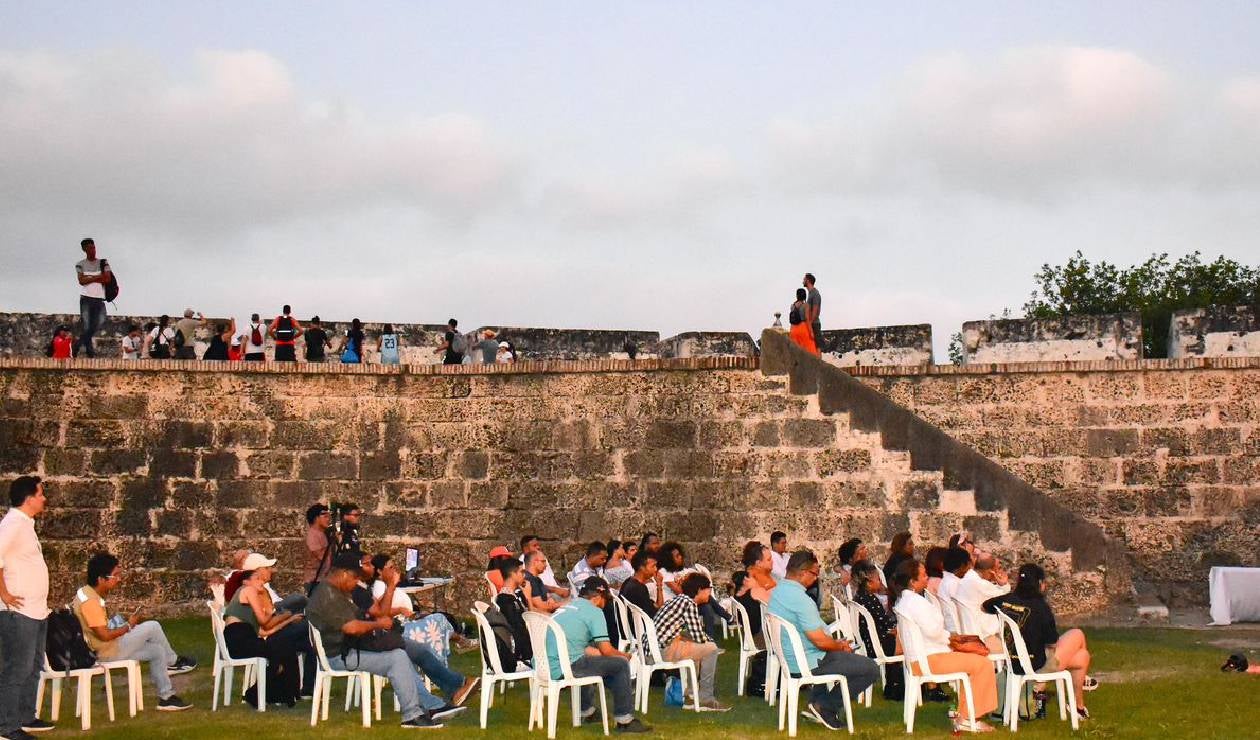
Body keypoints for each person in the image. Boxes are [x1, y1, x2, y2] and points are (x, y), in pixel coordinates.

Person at [305, 554, 448, 729]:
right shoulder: (329, 596)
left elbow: (359, 618)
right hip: (340, 656)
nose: (356, 582)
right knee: (397, 658)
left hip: (348, 648)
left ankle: (426, 707)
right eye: (354, 578)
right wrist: (378, 624)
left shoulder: (332, 591)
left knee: (399, 651)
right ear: (343, 574)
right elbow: (351, 627)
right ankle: (413, 715)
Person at [768, 550, 879, 731]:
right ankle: (825, 706)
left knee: (841, 658)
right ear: (803, 573)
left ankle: (816, 703)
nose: (816, 578)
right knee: (870, 669)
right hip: (808, 661)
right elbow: (820, 641)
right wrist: (839, 647)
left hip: (792, 658)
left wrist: (836, 645)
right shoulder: (801, 600)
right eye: (814, 573)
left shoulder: (778, 591)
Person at [73, 553, 196, 712]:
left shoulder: (86, 592)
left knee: (157, 651)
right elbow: (103, 635)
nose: (119, 579)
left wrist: (122, 625)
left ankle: (167, 697)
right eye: (115, 575)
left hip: (107, 648)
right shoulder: (91, 602)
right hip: (107, 652)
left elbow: (99, 628)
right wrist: (128, 626)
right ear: (101, 579)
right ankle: (173, 662)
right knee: (153, 626)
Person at [351, 553, 478, 702]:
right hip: (379, 638)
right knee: (415, 644)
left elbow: (379, 614)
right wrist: (393, 592)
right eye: (367, 564)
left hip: (389, 632)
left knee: (422, 650)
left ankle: (456, 686)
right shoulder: (364, 590)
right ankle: (435, 703)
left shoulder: (363, 589)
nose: (372, 567)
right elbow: (380, 614)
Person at [891, 558, 997, 733]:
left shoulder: (905, 600)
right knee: (983, 664)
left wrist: (949, 638)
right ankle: (969, 718)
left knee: (976, 659)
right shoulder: (915, 602)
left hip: (921, 658)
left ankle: (966, 713)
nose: (927, 577)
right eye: (923, 575)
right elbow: (933, 631)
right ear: (912, 581)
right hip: (930, 659)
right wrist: (950, 638)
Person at [983, 564, 1095, 721]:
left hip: (1013, 660)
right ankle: (1051, 688)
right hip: (1036, 665)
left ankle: (1079, 706)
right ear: (1040, 583)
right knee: (1077, 634)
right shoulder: (1041, 608)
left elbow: (985, 606)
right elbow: (1052, 643)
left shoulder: (1006, 600)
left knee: (1082, 657)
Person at [547, 577, 650, 733]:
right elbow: (606, 650)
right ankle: (625, 720)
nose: (606, 603)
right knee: (620, 665)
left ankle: (587, 711)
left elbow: (580, 647)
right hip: (566, 666)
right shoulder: (594, 612)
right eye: (606, 599)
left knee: (592, 661)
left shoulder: (567, 607)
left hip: (546, 665)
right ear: (598, 596)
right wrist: (624, 656)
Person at [0, 476, 53, 739]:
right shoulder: (12, 524)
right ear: (29, 498)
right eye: (41, 494)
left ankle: (25, 716)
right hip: (18, 613)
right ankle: (7, 726)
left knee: (33, 666)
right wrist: (4, 593)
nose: (44, 499)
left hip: (36, 610)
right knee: (17, 668)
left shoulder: (25, 525)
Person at [221, 554, 303, 707]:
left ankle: (281, 694)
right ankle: (260, 694)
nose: (261, 582)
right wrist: (278, 613)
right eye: (257, 579)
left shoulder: (250, 595)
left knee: (284, 648)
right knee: (282, 651)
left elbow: (263, 632)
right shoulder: (248, 590)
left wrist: (289, 620)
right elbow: (264, 621)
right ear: (246, 581)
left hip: (247, 638)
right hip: (239, 640)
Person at [653, 573, 730, 711]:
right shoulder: (689, 604)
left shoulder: (678, 600)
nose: (709, 593)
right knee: (711, 649)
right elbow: (699, 636)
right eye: (708, 589)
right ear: (700, 590)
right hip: (663, 650)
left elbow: (691, 634)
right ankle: (706, 698)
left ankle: (689, 693)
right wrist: (711, 642)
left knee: (696, 647)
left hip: (654, 648)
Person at [850, 561, 904, 701]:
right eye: (878, 579)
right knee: (904, 641)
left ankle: (892, 685)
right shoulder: (871, 599)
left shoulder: (859, 596)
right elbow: (886, 622)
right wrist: (897, 627)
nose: (880, 582)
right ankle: (896, 685)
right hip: (877, 645)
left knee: (896, 638)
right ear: (869, 582)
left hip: (867, 642)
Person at [955, 554, 1011, 650]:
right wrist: (1004, 584)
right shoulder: (981, 584)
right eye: (997, 569)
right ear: (990, 571)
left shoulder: (967, 577)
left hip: (967, 626)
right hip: (981, 631)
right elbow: (1003, 597)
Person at [74, 238, 111, 358]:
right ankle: (90, 352)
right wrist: (98, 277)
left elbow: (107, 279)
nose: (93, 250)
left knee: (100, 321)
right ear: (84, 250)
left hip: (99, 298)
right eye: (90, 248)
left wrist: (90, 278)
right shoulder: (80, 264)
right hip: (86, 298)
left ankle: (78, 344)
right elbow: (81, 281)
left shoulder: (103, 263)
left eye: (94, 247)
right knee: (86, 325)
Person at [493, 559, 532, 666]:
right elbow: (526, 624)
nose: (524, 575)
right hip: (521, 651)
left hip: (524, 643)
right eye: (521, 572)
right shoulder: (506, 600)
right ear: (513, 574)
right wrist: (529, 598)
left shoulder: (514, 596)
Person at [519, 535, 569, 600]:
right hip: (545, 594)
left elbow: (551, 576)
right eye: (534, 545)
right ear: (525, 548)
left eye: (538, 545)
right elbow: (531, 584)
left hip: (556, 591)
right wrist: (555, 589)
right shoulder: (523, 562)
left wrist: (560, 588)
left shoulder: (541, 557)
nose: (538, 547)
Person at [619, 549, 663, 619]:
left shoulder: (628, 581)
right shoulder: (639, 588)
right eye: (653, 566)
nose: (655, 569)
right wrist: (659, 585)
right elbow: (658, 609)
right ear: (641, 567)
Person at [939, 547, 972, 633]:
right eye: (969, 565)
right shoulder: (956, 584)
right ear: (962, 566)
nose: (969, 568)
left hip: (948, 626)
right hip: (958, 629)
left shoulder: (944, 580)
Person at [302, 503, 334, 589]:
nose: (328, 519)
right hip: (315, 581)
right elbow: (323, 558)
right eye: (325, 517)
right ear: (316, 518)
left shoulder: (322, 533)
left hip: (322, 580)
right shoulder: (313, 535)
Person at [788, 288, 819, 355]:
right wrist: (811, 332)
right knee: (810, 351)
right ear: (805, 296)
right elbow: (807, 319)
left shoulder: (792, 306)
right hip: (803, 329)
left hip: (793, 330)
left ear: (797, 295)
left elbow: (792, 319)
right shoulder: (806, 305)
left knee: (796, 352)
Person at [803, 272, 822, 351]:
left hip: (814, 324)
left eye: (804, 279)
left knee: (817, 347)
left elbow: (815, 311)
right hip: (812, 324)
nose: (803, 281)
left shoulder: (815, 294)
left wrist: (810, 325)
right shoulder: (810, 293)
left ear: (808, 280)